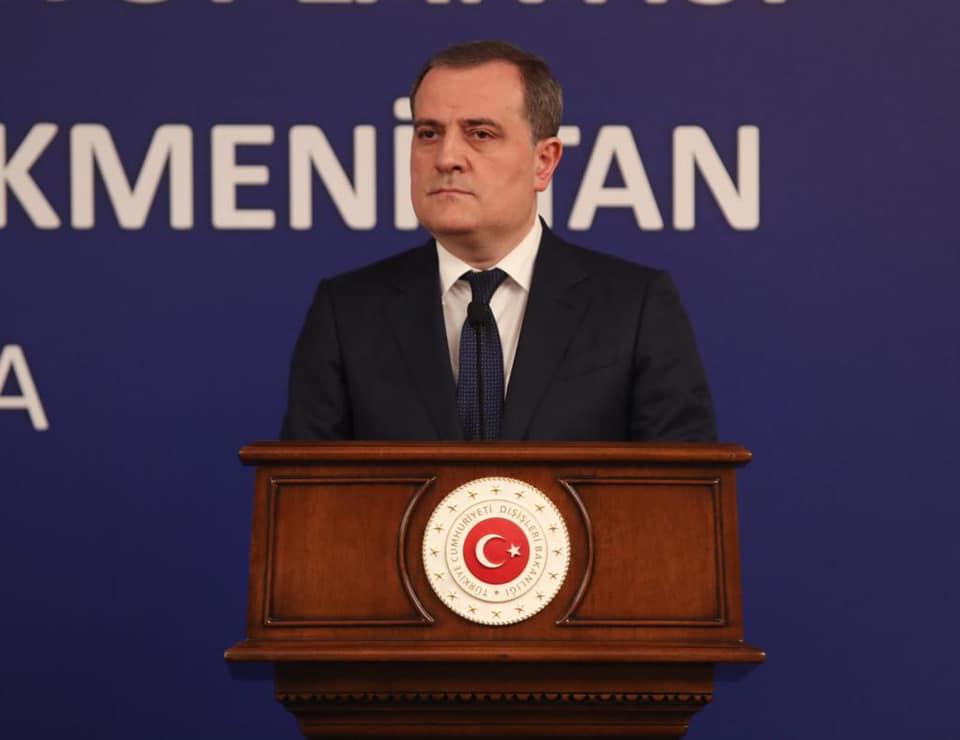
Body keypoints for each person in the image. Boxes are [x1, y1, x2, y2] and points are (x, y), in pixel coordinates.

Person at [281, 40, 716, 442]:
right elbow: (306, 494)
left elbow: (683, 492)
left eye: (480, 134)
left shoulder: (634, 307)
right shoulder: (347, 313)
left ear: (544, 162)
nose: (446, 158)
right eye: (429, 133)